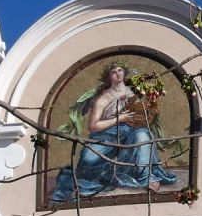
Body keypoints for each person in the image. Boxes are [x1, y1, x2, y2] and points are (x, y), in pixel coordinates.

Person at [49, 63, 176, 202]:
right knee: (88, 158)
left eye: (120, 70)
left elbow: (146, 113)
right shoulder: (103, 98)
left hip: (132, 132)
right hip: (106, 134)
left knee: (143, 137)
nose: (118, 73)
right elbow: (93, 126)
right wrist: (120, 118)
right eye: (113, 72)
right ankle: (108, 175)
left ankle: (147, 177)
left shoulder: (136, 92)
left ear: (124, 72)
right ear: (109, 77)